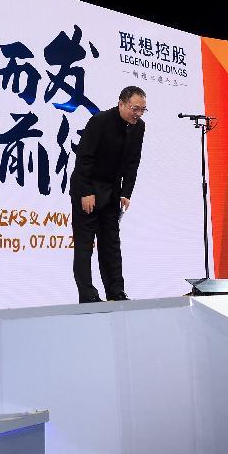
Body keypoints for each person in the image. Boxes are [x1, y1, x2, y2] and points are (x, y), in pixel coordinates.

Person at [69, 86, 147, 303]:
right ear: (121, 104)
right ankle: (88, 295)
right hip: (87, 188)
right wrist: (86, 191)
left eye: (142, 110)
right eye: (135, 108)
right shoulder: (99, 121)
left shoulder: (139, 127)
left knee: (111, 245)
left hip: (112, 191)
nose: (138, 114)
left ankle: (116, 292)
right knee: (85, 245)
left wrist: (126, 192)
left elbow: (133, 162)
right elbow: (84, 158)